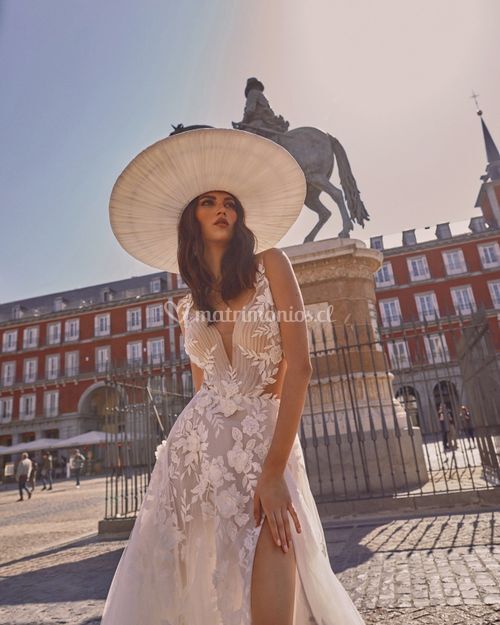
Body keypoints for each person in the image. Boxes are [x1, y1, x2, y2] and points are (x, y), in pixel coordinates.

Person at [102, 128, 366, 624]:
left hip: (264, 444)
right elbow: (203, 389)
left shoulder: (272, 265)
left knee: (277, 537)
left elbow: (299, 366)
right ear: (192, 219)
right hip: (193, 457)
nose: (222, 208)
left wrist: (273, 471)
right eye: (208, 201)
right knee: (205, 584)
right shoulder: (187, 306)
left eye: (229, 202)